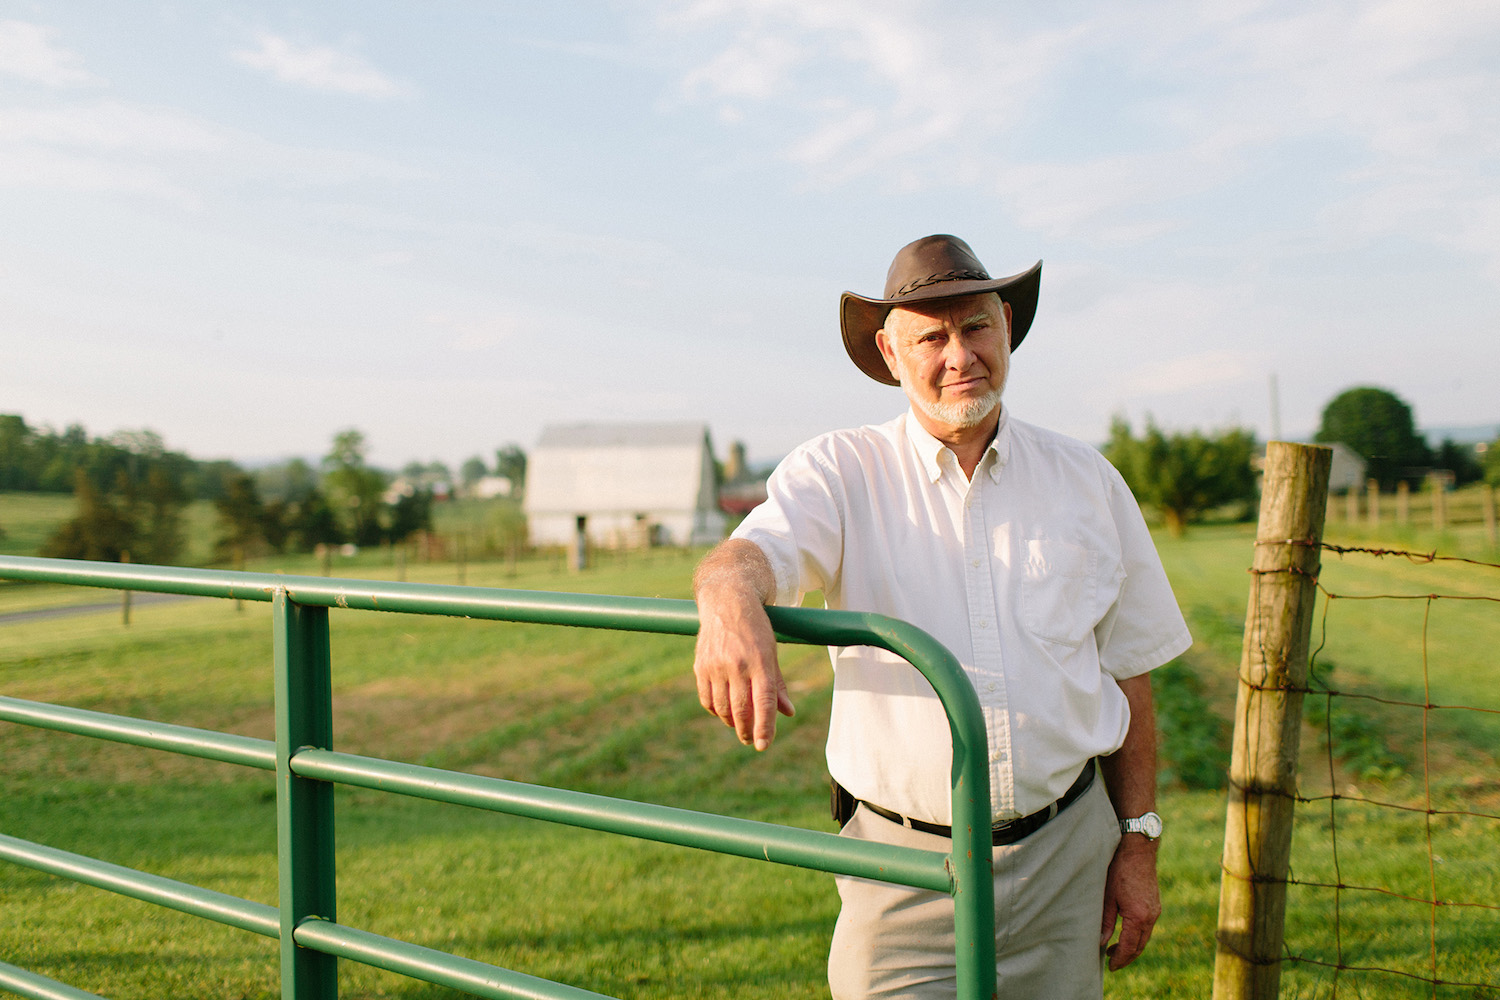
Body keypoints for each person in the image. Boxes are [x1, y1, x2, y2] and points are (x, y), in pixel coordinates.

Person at [691, 234, 1192, 999]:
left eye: (977, 327)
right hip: (904, 874)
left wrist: (1138, 844)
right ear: (891, 356)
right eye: (931, 336)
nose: (960, 355)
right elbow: (756, 552)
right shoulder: (840, 470)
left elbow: (1129, 672)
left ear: (1008, 330)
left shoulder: (1087, 480)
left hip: (1067, 863)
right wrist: (727, 599)